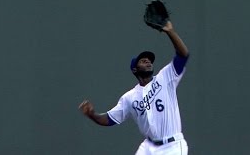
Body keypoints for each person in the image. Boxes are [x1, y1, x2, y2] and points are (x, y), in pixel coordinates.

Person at [79, 20, 189, 155]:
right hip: (149, 146)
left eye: (149, 60)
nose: (148, 62)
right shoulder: (129, 97)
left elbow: (183, 55)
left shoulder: (165, 78)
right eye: (143, 61)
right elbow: (110, 119)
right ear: (135, 70)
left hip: (172, 146)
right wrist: (92, 114)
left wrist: (170, 32)